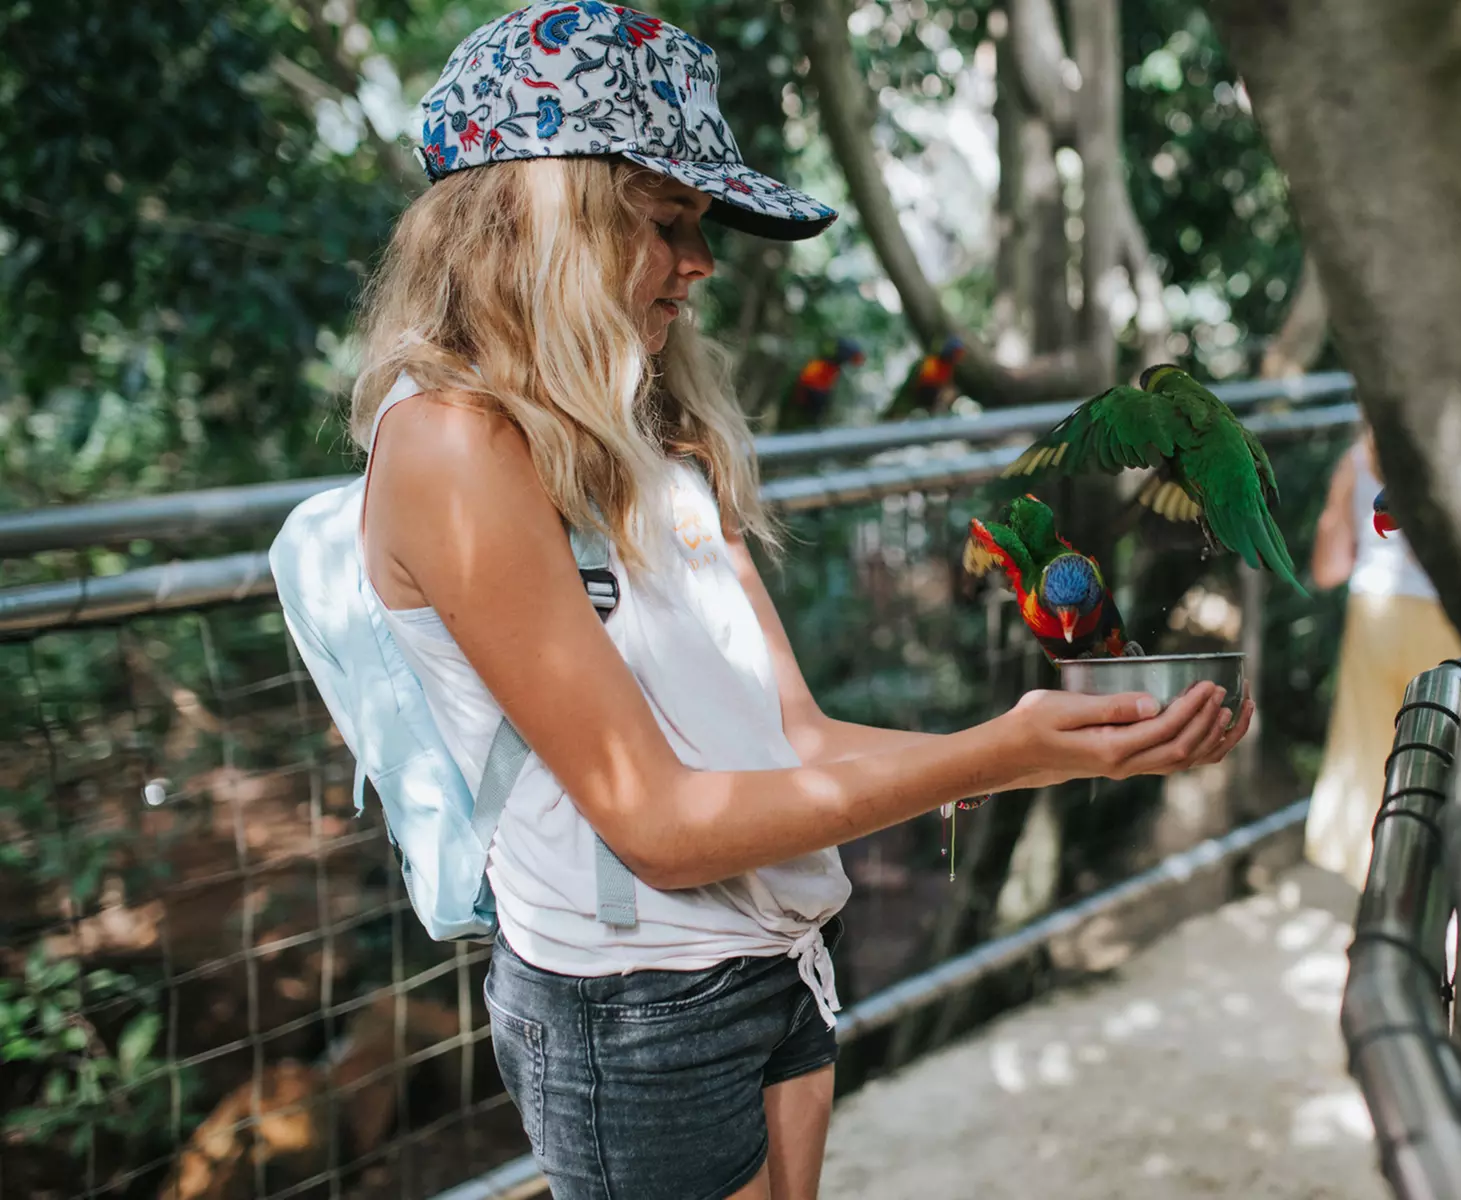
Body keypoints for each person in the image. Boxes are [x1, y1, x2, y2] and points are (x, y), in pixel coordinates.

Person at [354, 6, 1252, 1198]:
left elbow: (798, 739)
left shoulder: (652, 434)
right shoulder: (451, 444)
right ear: (543, 218)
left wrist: (1064, 748)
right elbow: (657, 824)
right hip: (637, 1007)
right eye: (669, 220)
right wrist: (995, 754)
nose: (702, 261)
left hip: (777, 957)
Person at [1304, 422, 1461, 888]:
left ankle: (1377, 883)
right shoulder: (1454, 456)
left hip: (1374, 620)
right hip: (1444, 621)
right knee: (1447, 751)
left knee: (1371, 751)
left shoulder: (1355, 462)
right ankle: (1440, 881)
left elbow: (1328, 569)